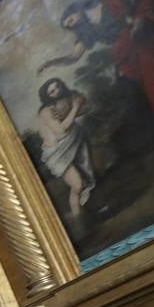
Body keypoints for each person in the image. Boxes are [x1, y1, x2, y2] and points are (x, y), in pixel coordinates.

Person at [38, 0, 154, 118]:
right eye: (70, 26)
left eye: (70, 20)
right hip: (132, 49)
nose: (73, 25)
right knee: (149, 79)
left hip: (147, 32)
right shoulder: (88, 32)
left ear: (75, 10)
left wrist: (138, 20)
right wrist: (51, 62)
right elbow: (73, 57)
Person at [36, 77, 96, 223]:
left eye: (57, 87)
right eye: (51, 91)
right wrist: (75, 107)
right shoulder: (46, 111)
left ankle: (83, 217)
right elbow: (61, 131)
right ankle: (78, 219)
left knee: (81, 183)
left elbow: (88, 108)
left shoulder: (66, 101)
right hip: (56, 154)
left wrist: (76, 105)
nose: (56, 91)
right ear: (46, 96)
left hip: (73, 144)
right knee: (77, 184)